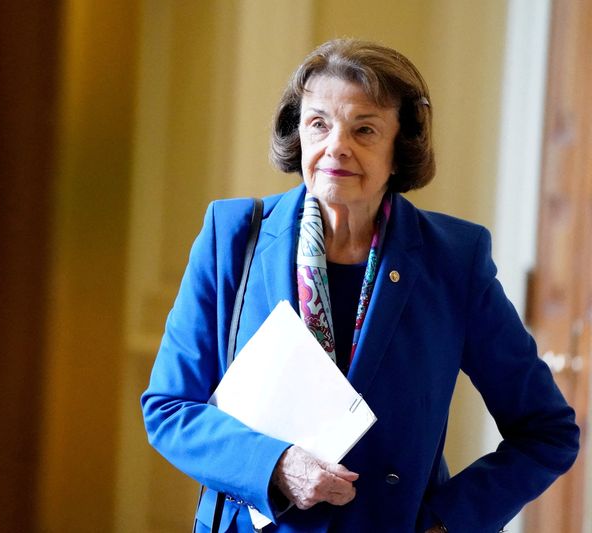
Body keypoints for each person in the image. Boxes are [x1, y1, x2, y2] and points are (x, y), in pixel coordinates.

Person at [140, 39, 579, 533]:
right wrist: (276, 465)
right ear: (298, 133)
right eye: (319, 124)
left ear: (400, 148)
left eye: (364, 129)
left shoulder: (453, 259)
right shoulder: (232, 235)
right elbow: (169, 408)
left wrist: (444, 525)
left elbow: (547, 432)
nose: (336, 146)